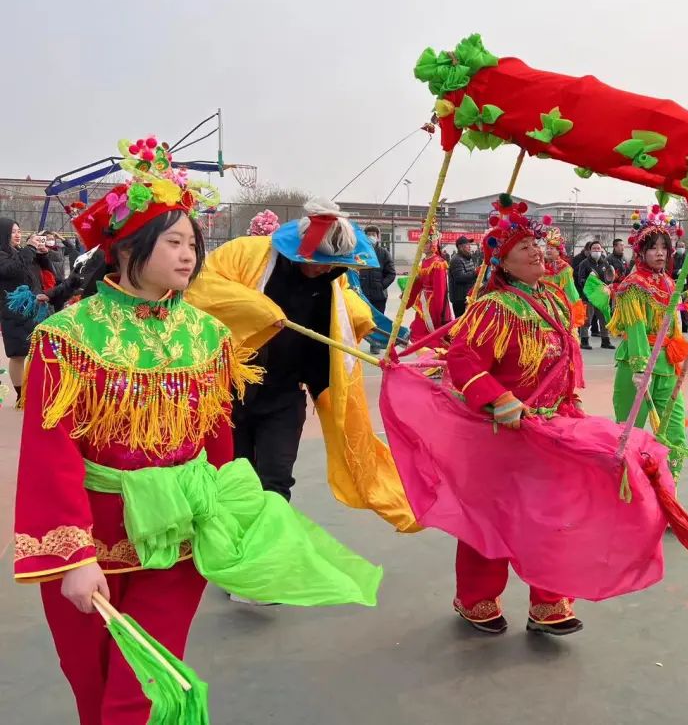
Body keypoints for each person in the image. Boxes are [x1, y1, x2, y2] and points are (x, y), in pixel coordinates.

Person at [13, 141, 382, 724]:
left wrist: (231, 515)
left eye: (193, 244)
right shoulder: (67, 336)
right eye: (175, 243)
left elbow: (216, 438)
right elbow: (49, 452)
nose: (190, 256)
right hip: (98, 535)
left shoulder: (208, 336)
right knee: (94, 683)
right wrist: (73, 555)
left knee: (145, 685)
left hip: (180, 534)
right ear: (128, 248)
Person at [185, 198, 419, 532]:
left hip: (286, 393)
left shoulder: (332, 279)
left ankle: (268, 551)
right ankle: (231, 549)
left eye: (331, 264)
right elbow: (200, 286)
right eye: (318, 262)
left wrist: (385, 329)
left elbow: (351, 308)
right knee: (234, 476)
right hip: (230, 391)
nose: (323, 269)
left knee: (276, 481)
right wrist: (257, 309)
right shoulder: (247, 254)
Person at [446, 196, 585, 634]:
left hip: (550, 428)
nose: (537, 253)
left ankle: (548, 602)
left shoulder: (556, 299)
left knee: (550, 515)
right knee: (493, 517)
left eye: (538, 246)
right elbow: (463, 359)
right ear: (502, 264)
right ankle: (477, 597)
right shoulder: (494, 307)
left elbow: (564, 361)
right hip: (503, 430)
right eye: (525, 248)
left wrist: (571, 405)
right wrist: (500, 401)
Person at [610, 206, 688, 479]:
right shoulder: (633, 285)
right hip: (638, 369)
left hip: (667, 367)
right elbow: (635, 330)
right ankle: (630, 496)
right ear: (641, 252)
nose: (660, 253)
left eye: (664, 247)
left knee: (674, 434)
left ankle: (670, 497)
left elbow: (676, 327)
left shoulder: (671, 283)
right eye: (653, 247)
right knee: (628, 433)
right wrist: (639, 368)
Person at [1, 220, 77, 402]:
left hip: (36, 308)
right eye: (13, 232)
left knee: (41, 350)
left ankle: (39, 389)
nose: (17, 235)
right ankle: (21, 395)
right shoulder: (3, 254)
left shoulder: (21, 252)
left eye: (19, 231)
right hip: (14, 311)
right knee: (18, 353)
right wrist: (29, 248)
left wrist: (42, 256)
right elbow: (11, 270)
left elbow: (47, 273)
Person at [355, 225, 396, 353]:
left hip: (379, 294)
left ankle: (376, 344)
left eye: (373, 234)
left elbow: (391, 273)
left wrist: (381, 285)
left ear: (378, 237)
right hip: (362, 293)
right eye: (368, 234)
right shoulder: (359, 252)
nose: (371, 237)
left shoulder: (384, 253)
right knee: (360, 319)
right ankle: (355, 343)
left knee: (378, 320)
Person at [406, 226, 452, 340]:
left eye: (426, 243)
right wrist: (408, 292)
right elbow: (420, 282)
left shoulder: (438, 263)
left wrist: (438, 310)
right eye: (422, 242)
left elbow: (440, 290)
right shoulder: (424, 260)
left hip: (432, 303)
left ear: (433, 244)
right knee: (419, 330)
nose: (423, 245)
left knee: (429, 333)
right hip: (423, 301)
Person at [542, 226, 586, 329]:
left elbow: (570, 290)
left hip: (555, 304)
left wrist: (576, 307)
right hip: (539, 301)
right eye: (547, 248)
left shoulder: (564, 268)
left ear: (559, 252)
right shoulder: (539, 264)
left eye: (552, 248)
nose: (548, 250)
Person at [575, 240, 614, 349]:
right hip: (588, 296)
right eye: (594, 249)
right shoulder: (584, 263)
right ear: (589, 250)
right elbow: (580, 279)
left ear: (601, 250)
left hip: (601, 296)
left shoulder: (605, 263)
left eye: (598, 248)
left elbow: (607, 278)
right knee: (587, 319)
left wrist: (608, 284)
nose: (596, 251)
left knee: (604, 318)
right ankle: (584, 340)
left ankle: (605, 340)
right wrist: (589, 282)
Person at [449, 235, 478, 319]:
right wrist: (475, 272)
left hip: (468, 295)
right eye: (467, 244)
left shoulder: (468, 258)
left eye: (470, 244)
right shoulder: (456, 260)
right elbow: (459, 278)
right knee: (459, 321)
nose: (470, 246)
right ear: (460, 247)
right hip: (459, 298)